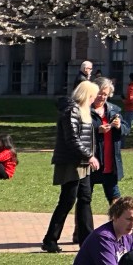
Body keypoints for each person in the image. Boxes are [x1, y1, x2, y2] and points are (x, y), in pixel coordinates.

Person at [42, 80, 101, 252]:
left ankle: (87, 240)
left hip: (82, 162)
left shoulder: (84, 111)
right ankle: (50, 240)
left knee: (85, 199)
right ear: (87, 95)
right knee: (67, 200)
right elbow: (72, 139)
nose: (94, 99)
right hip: (71, 163)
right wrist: (89, 155)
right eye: (93, 96)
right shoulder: (71, 111)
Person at [89, 79, 124, 207]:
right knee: (85, 197)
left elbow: (126, 129)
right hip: (92, 161)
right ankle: (83, 221)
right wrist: (97, 130)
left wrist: (119, 126)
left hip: (110, 161)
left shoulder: (113, 110)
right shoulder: (85, 110)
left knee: (115, 200)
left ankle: (117, 220)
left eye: (105, 94)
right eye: (99, 93)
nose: (102, 97)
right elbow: (78, 132)